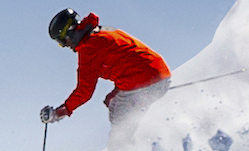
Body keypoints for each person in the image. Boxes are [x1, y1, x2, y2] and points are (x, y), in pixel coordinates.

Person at [41, 9, 172, 130]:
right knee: (116, 106)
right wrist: (116, 91)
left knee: (120, 123)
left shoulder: (89, 48)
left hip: (144, 82)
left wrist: (60, 112)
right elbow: (127, 62)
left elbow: (84, 91)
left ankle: (126, 147)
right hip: (160, 74)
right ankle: (146, 137)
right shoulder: (103, 32)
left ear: (69, 33)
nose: (65, 46)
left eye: (62, 41)